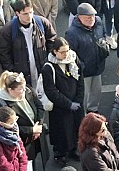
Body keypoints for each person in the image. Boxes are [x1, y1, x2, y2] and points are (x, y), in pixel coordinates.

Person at [42, 37, 84, 166]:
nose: (66, 54)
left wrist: (78, 99)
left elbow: (80, 80)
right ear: (55, 51)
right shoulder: (48, 68)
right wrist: (68, 104)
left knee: (76, 127)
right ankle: (60, 153)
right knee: (61, 131)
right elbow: (51, 91)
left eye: (67, 50)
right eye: (62, 52)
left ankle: (74, 149)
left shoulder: (73, 58)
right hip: (60, 107)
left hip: (76, 103)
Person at [0, 0, 57, 86]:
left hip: (42, 69)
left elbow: (52, 40)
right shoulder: (8, 30)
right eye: (25, 14)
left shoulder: (42, 23)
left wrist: (48, 60)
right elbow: (4, 53)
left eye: (30, 12)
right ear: (17, 13)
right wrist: (13, 72)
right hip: (21, 75)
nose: (29, 16)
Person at [0, 71, 46, 169]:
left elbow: (40, 107)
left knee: (32, 163)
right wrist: (31, 131)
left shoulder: (28, 90)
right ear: (10, 90)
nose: (24, 90)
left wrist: (39, 124)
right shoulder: (1, 104)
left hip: (34, 140)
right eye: (20, 89)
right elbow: (7, 128)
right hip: (20, 144)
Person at [65, 3, 106, 113]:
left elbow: (103, 35)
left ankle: (93, 110)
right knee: (84, 95)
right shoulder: (72, 33)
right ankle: (83, 115)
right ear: (79, 17)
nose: (91, 19)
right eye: (88, 17)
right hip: (84, 72)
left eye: (92, 16)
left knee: (96, 92)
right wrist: (81, 67)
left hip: (97, 67)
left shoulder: (98, 22)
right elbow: (70, 55)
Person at [0, 106, 28, 170]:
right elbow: (2, 166)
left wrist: (22, 168)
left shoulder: (13, 132)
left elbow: (22, 151)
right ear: (1, 123)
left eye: (15, 120)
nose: (15, 125)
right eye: (11, 123)